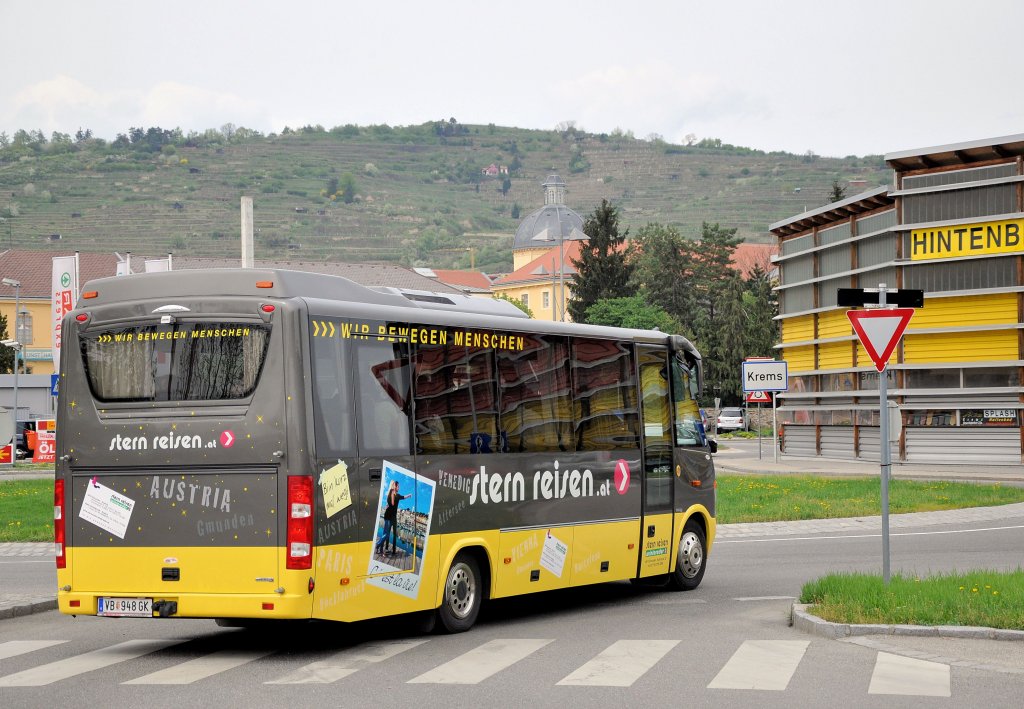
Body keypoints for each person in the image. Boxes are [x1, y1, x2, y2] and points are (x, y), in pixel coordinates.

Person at [375, 480, 411, 555]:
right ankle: (377, 545)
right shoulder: (392, 492)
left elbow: (403, 497)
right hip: (388, 516)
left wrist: (409, 495)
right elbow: (392, 503)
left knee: (385, 533)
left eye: (399, 487)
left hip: (390, 516)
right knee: (387, 534)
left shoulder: (396, 495)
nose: (399, 488)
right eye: (398, 486)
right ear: (395, 486)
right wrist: (394, 494)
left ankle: (381, 550)